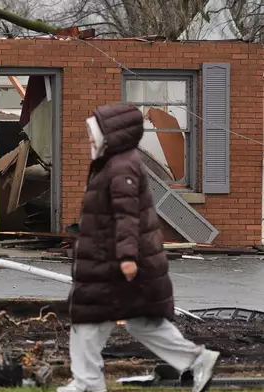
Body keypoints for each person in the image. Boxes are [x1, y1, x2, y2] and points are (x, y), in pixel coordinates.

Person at [58, 103, 219, 392]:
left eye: (94, 133)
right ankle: (196, 361)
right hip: (114, 262)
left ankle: (87, 384)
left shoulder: (120, 167)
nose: (90, 139)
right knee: (139, 322)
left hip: (114, 264)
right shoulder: (115, 164)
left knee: (90, 320)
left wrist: (127, 257)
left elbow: (127, 214)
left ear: (111, 134)